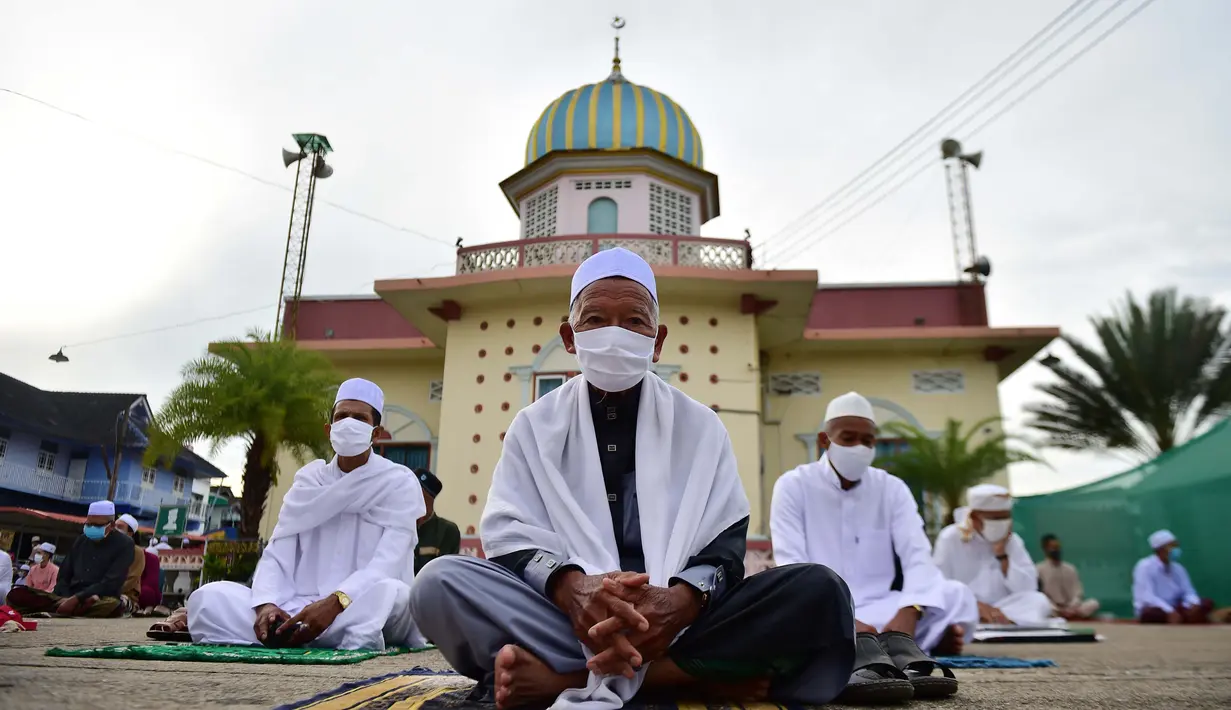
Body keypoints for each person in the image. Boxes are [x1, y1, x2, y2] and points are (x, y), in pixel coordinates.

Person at [410, 248, 857, 710]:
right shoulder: (533, 425)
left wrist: (678, 603)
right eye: (596, 319)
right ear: (569, 336)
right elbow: (508, 531)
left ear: (657, 340)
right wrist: (573, 590)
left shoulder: (701, 426)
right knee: (437, 583)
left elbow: (724, 543)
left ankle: (560, 679)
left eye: (634, 321)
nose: (614, 335)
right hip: (565, 618)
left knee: (818, 590)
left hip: (681, 623)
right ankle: (689, 676)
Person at [184, 378, 426, 650]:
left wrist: (336, 601)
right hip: (298, 606)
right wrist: (266, 605)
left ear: (376, 433)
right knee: (208, 598)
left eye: (359, 418)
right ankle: (287, 628)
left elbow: (386, 564)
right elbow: (277, 551)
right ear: (329, 429)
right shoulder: (309, 482)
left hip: (359, 604)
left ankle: (298, 634)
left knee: (392, 595)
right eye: (341, 416)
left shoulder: (398, 482)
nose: (348, 423)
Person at [771, 391, 970, 702]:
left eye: (868, 440)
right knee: (782, 610)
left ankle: (891, 645)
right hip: (826, 607)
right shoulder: (793, 485)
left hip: (886, 610)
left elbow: (918, 555)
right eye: (849, 438)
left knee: (957, 593)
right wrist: (846, 619)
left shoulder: (892, 488)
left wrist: (911, 609)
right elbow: (792, 565)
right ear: (825, 439)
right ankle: (908, 649)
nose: (860, 448)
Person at [933, 484, 1053, 626]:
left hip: (1005, 607)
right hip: (967, 606)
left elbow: (1028, 588)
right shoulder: (950, 537)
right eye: (995, 518)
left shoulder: (1013, 541)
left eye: (1006, 518)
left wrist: (1002, 555)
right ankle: (993, 619)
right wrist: (975, 605)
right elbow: (939, 585)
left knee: (1039, 601)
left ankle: (1001, 619)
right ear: (975, 517)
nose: (1002, 523)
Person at [7, 500, 135, 618]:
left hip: (99, 597)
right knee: (16, 595)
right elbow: (64, 575)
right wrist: (66, 598)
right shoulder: (82, 540)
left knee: (112, 605)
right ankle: (64, 608)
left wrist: (77, 599)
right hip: (67, 596)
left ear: (111, 525)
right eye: (88, 524)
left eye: (96, 525)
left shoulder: (125, 544)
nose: (91, 529)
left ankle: (61, 609)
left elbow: (112, 582)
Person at [1133, 530, 1212, 624]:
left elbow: (1188, 592)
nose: (1176, 549)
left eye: (1176, 545)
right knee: (1150, 614)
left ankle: (1183, 618)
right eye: (1172, 546)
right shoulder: (1144, 566)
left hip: (1176, 608)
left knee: (1206, 603)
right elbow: (1147, 596)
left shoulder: (1178, 568)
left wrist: (1194, 604)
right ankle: (1183, 618)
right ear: (1160, 549)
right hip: (1158, 609)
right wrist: (1169, 611)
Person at [1036, 534, 1100, 620]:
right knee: (1042, 607)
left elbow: (1078, 593)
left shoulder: (1070, 568)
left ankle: (1070, 615)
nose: (1057, 550)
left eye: (1058, 547)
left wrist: (1071, 607)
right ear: (1045, 549)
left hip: (1073, 608)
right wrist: (1056, 608)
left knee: (1094, 603)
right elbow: (1040, 595)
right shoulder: (1039, 569)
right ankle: (1065, 616)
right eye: (1053, 547)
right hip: (1054, 608)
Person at [412, 468, 461, 575]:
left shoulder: (446, 530)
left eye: (416, 492)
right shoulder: (397, 525)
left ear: (427, 499)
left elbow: (444, 574)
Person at [114, 513, 147, 615]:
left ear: (130, 533)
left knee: (115, 603)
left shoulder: (136, 551)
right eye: (114, 526)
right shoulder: (108, 548)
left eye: (119, 527)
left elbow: (132, 578)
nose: (115, 529)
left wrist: (111, 591)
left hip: (125, 594)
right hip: (103, 591)